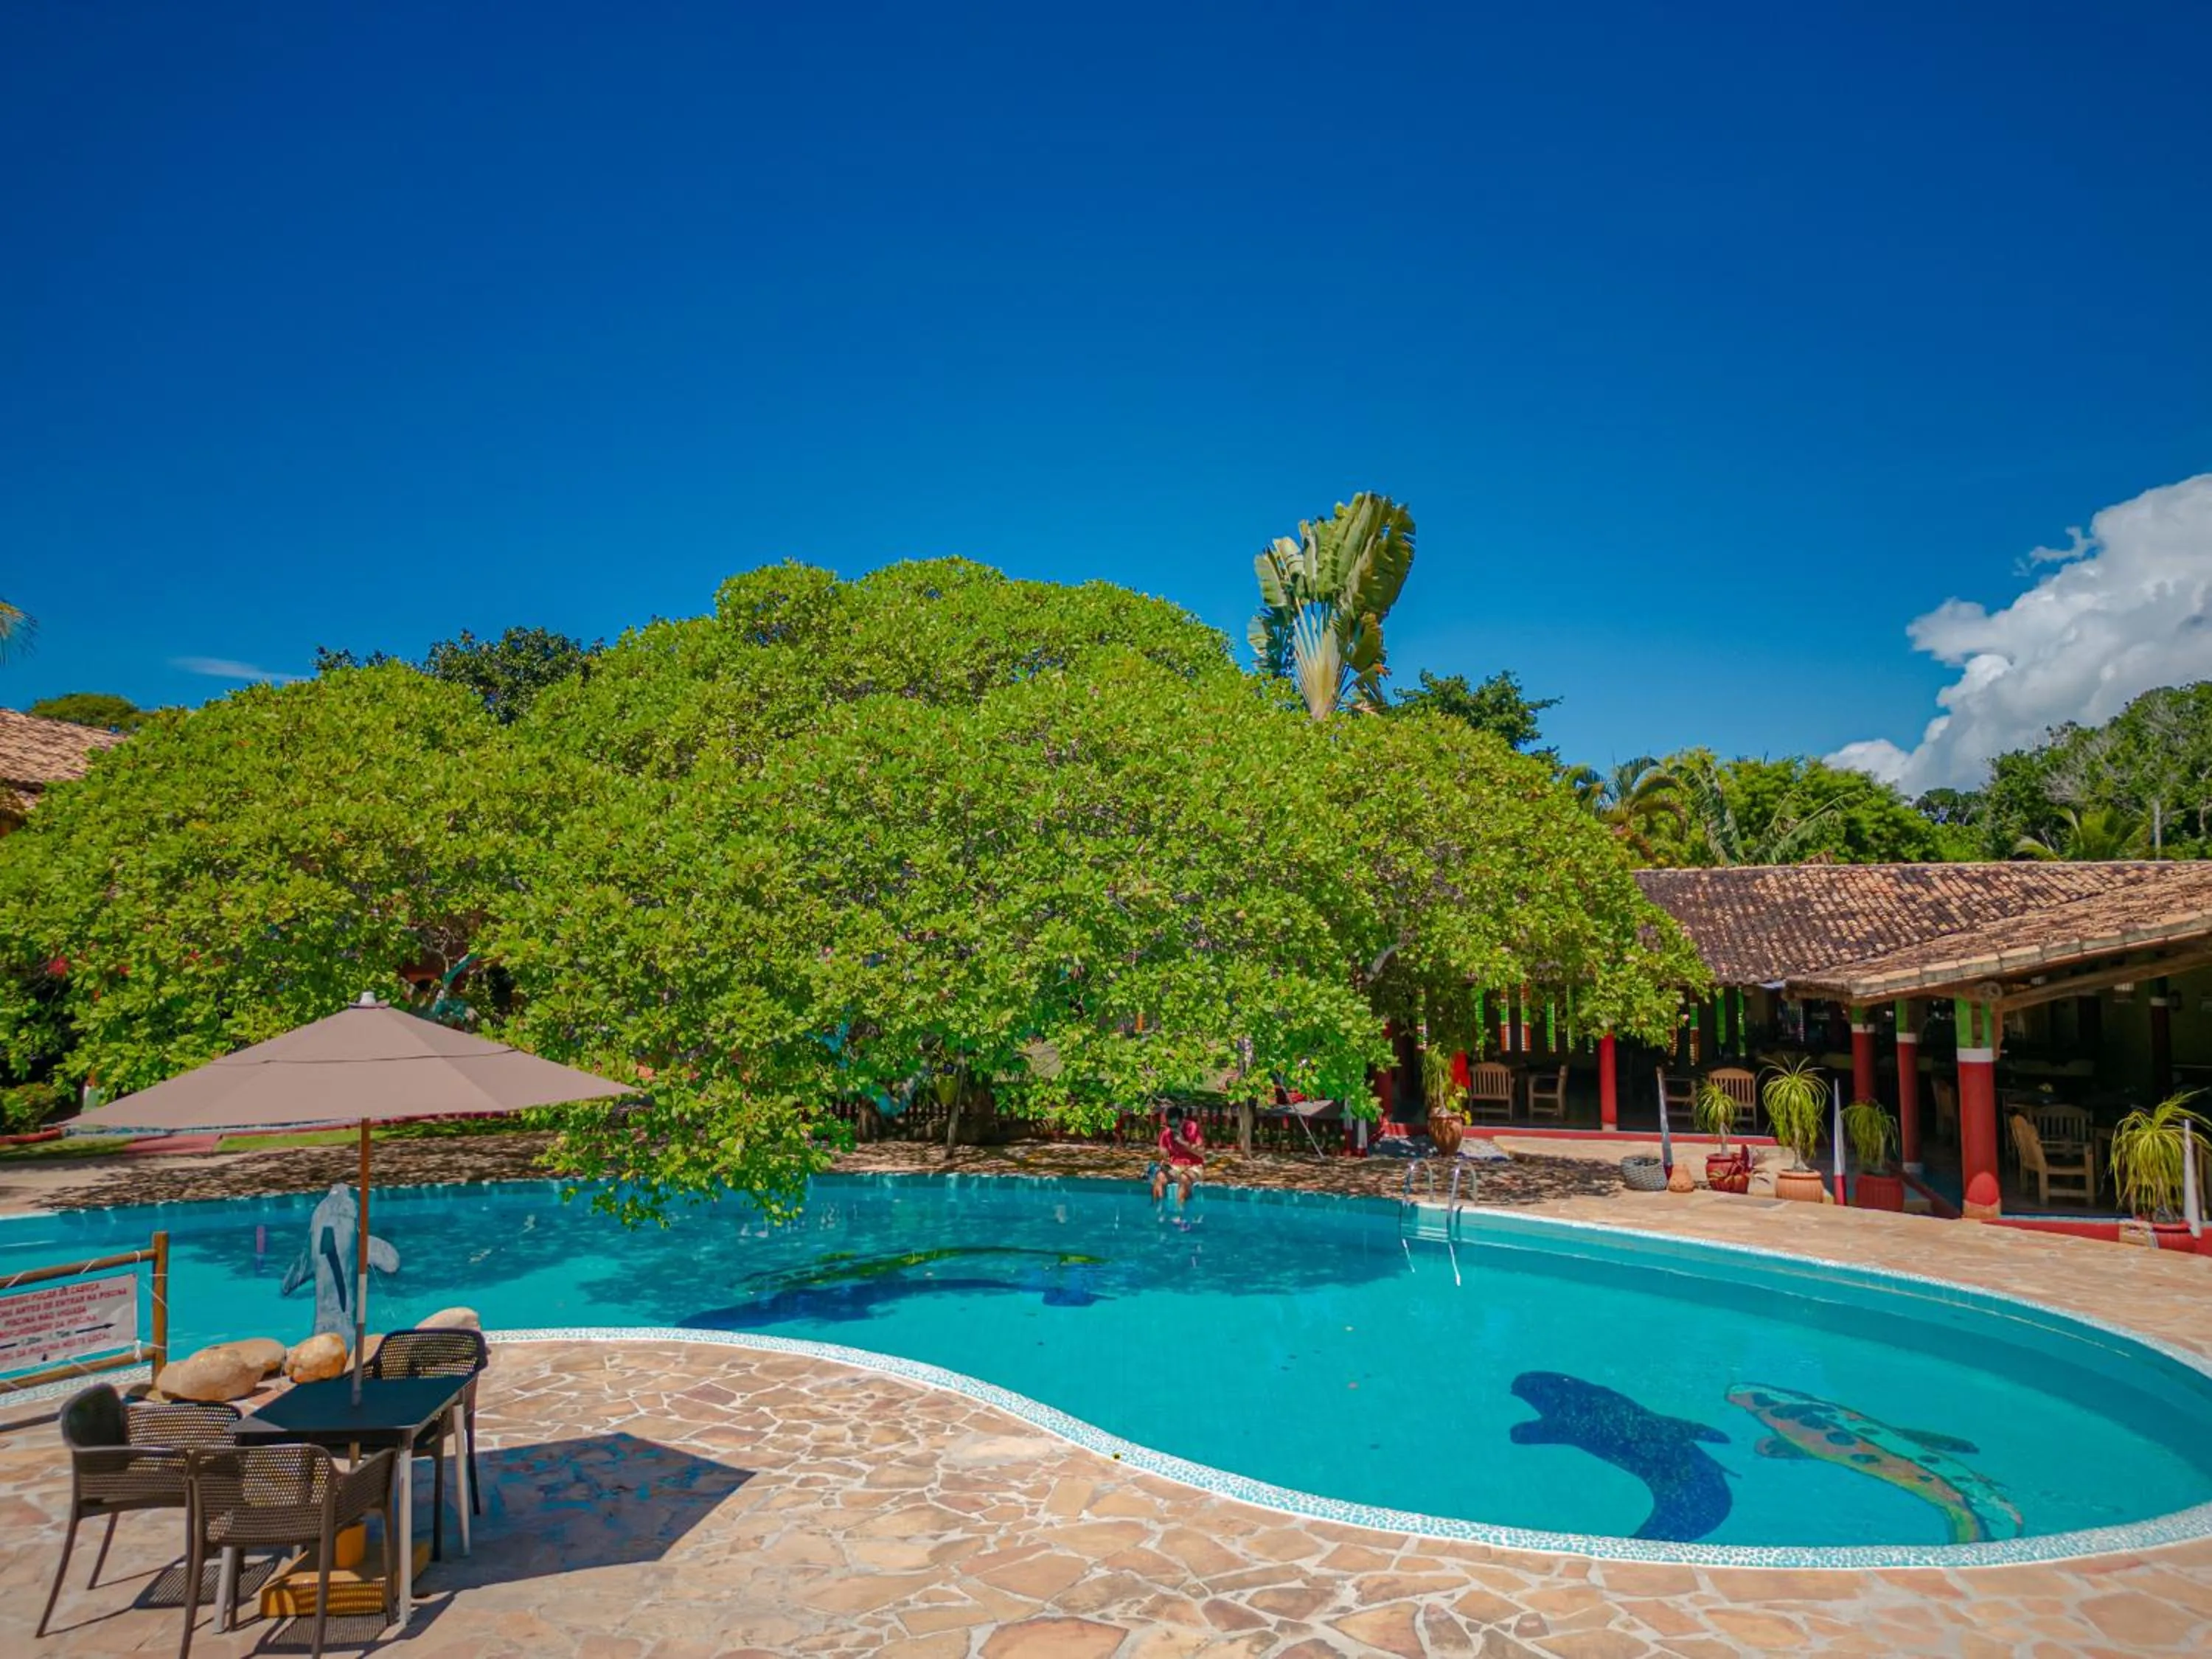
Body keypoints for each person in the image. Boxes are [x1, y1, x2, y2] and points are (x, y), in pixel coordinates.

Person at [1152, 1106, 1206, 1207]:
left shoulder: (1192, 1127)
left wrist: (1183, 1143)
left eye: (1176, 1126)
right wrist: (1163, 1158)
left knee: (1184, 1178)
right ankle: (1158, 1212)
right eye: (1170, 1125)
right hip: (1175, 1166)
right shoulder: (1167, 1133)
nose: (1173, 1129)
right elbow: (1163, 1155)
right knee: (1159, 1177)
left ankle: (1179, 1213)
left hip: (1194, 1166)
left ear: (1182, 1121)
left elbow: (1202, 1152)